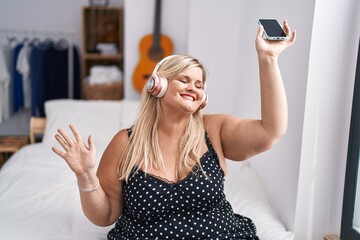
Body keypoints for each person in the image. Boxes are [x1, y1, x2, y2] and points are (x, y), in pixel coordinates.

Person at [52, 20, 296, 240]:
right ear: (157, 86)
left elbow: (270, 132)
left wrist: (268, 59)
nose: (194, 87)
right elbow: (104, 216)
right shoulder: (125, 143)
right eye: (184, 80)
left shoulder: (214, 130)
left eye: (199, 84)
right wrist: (85, 176)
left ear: (203, 98)